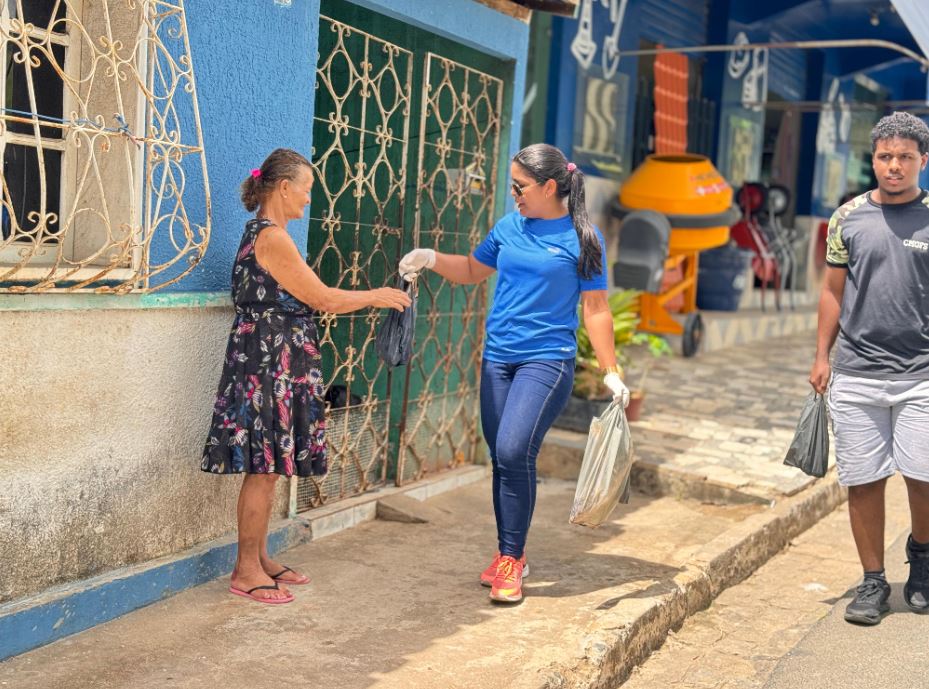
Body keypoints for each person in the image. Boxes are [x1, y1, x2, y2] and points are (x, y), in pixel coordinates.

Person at [399, 143, 629, 603]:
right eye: (512, 187)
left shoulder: (584, 238)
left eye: (521, 187)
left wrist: (610, 370)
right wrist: (430, 258)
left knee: (512, 446)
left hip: (547, 360)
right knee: (505, 459)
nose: (514, 195)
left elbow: (596, 307)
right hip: (498, 360)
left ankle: (510, 558)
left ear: (549, 186)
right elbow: (470, 269)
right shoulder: (509, 227)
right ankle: (512, 554)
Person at [202, 148, 411, 604]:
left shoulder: (266, 233)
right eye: (306, 189)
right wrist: (377, 294)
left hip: (273, 360)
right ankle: (244, 569)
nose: (308, 199)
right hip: (267, 364)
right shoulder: (272, 237)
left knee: (271, 468)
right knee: (262, 469)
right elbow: (323, 299)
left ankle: (260, 559)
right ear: (282, 187)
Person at [810, 111, 929, 625]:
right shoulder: (847, 218)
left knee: (923, 477)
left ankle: (922, 563)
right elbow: (832, 291)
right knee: (864, 481)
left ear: (923, 160)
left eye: (905, 157)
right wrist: (821, 355)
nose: (894, 166)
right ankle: (873, 582)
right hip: (857, 373)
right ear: (874, 160)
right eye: (885, 157)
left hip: (922, 375)